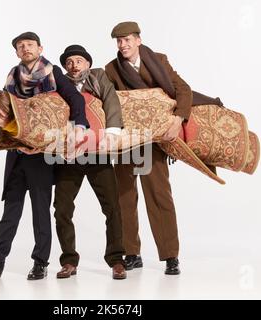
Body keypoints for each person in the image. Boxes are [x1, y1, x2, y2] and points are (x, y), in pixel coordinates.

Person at [0, 32, 89, 280]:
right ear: (16, 52)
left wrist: (79, 125)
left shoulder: (52, 72)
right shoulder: (12, 76)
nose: (25, 48)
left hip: (41, 153)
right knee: (11, 208)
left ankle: (40, 263)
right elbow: (7, 112)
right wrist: (13, 141)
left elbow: (74, 98)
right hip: (17, 153)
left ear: (40, 48)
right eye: (20, 46)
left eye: (30, 45)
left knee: (40, 211)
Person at [104, 21, 192, 275]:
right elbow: (108, 101)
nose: (123, 45)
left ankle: (170, 256)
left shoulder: (159, 60)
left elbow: (182, 89)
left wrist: (177, 121)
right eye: (119, 41)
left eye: (128, 39)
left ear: (138, 40)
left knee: (159, 196)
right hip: (126, 141)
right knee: (124, 198)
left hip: (154, 141)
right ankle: (131, 253)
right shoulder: (112, 69)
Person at [53, 45, 126, 280]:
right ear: (65, 66)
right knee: (62, 209)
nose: (74, 65)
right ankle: (69, 261)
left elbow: (112, 101)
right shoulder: (58, 83)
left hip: (98, 153)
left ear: (87, 63)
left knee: (112, 207)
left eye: (79, 61)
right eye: (70, 62)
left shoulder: (98, 77)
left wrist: (113, 133)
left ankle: (116, 260)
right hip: (69, 156)